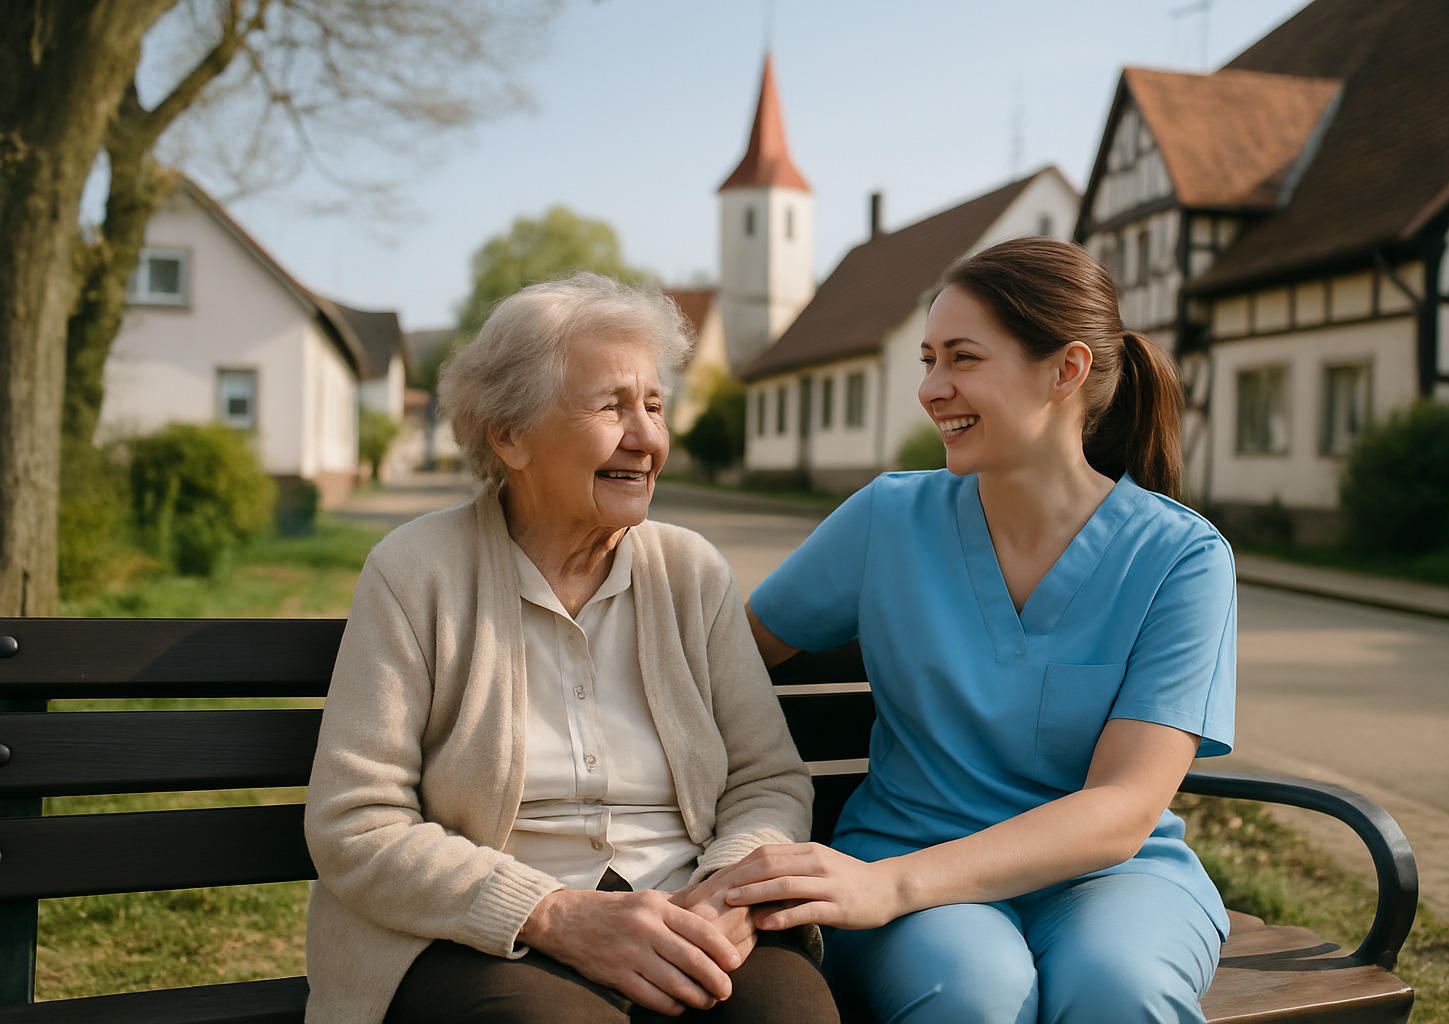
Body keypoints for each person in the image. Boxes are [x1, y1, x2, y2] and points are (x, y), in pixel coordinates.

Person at [710, 236, 1237, 1023]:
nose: (931, 388)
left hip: (1112, 878)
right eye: (926, 360)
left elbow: (1124, 806)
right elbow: (722, 662)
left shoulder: (1181, 558)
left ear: (1067, 370)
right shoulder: (888, 519)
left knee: (1118, 990)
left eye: (961, 358)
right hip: (904, 857)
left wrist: (887, 888)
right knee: (973, 996)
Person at [303, 273, 839, 1024]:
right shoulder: (415, 571)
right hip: (483, 935)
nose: (647, 436)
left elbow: (767, 781)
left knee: (789, 1013)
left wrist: (724, 892)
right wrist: (550, 913)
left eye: (653, 405)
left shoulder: (691, 572)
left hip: (684, 912)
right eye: (611, 406)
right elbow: (356, 822)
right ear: (509, 435)